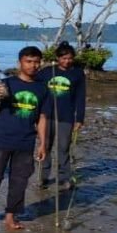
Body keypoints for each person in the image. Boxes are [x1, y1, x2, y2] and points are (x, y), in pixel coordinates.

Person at [0, 46, 51, 231]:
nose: (33, 65)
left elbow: (42, 117)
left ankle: (10, 216)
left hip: (26, 141)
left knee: (20, 180)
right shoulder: (6, 83)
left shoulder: (42, 88)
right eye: (28, 61)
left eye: (36, 62)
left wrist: (43, 143)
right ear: (19, 63)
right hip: (2, 139)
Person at [36, 41, 85, 191]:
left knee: (63, 148)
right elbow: (36, 91)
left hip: (66, 117)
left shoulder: (77, 73)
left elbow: (80, 97)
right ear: (58, 58)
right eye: (63, 58)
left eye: (69, 58)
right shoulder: (46, 72)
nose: (66, 61)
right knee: (45, 147)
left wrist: (79, 118)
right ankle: (43, 178)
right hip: (46, 116)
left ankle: (64, 179)